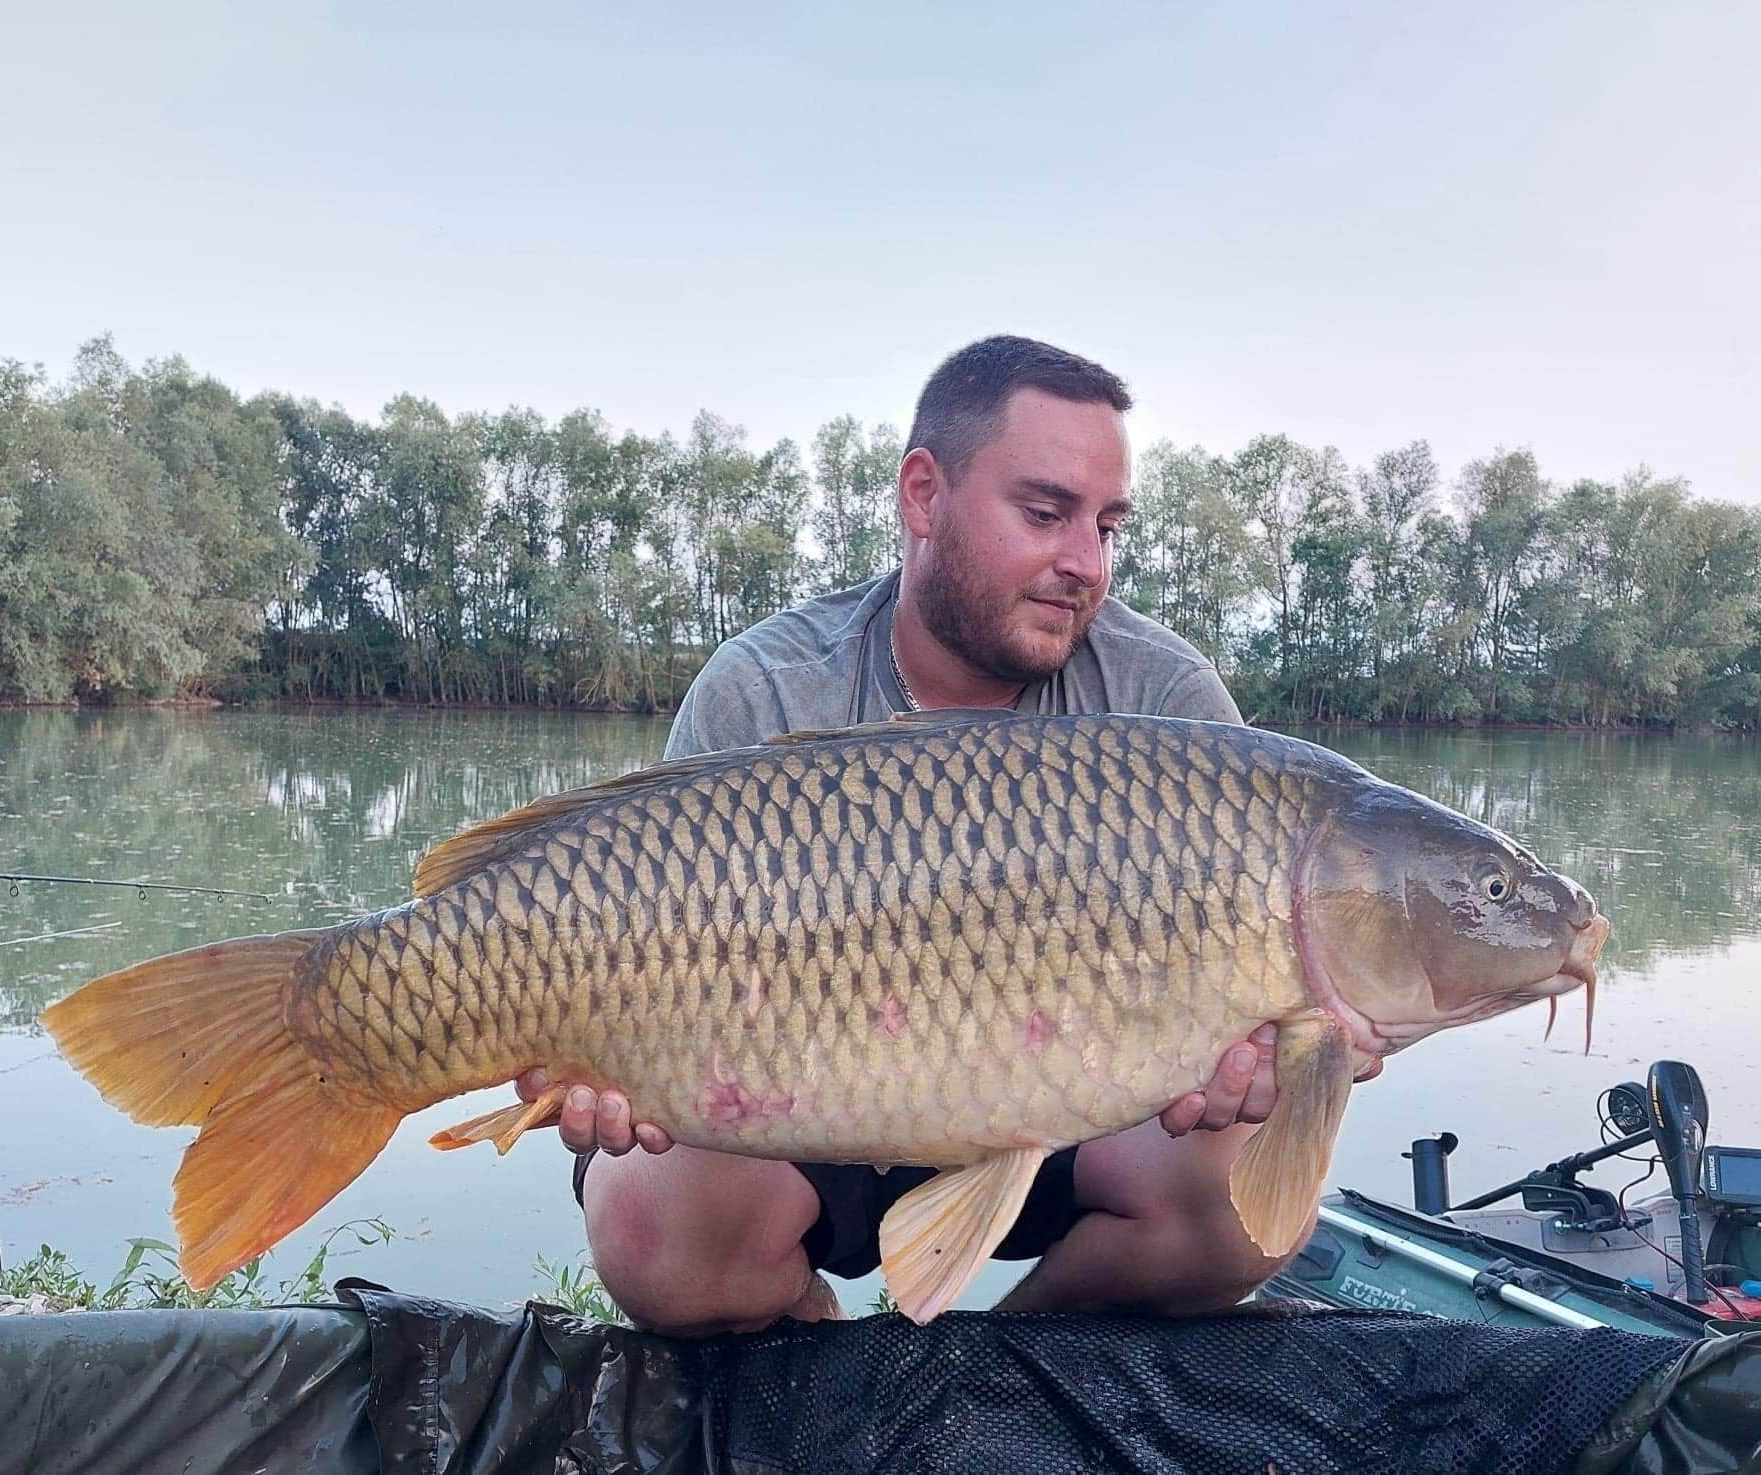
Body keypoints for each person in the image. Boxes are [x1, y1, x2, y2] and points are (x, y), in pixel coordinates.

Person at [513, 334, 1379, 1334]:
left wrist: (1275, 1056)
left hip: (1078, 1101)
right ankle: (827, 1362)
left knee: (1243, 1211)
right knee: (649, 1223)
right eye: (1045, 512)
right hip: (806, 1102)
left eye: (1105, 525)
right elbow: (636, 952)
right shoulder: (767, 685)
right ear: (923, 495)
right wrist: (607, 1074)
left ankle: (992, 1381)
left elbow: (1243, 1030)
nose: (1082, 563)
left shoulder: (1162, 696)